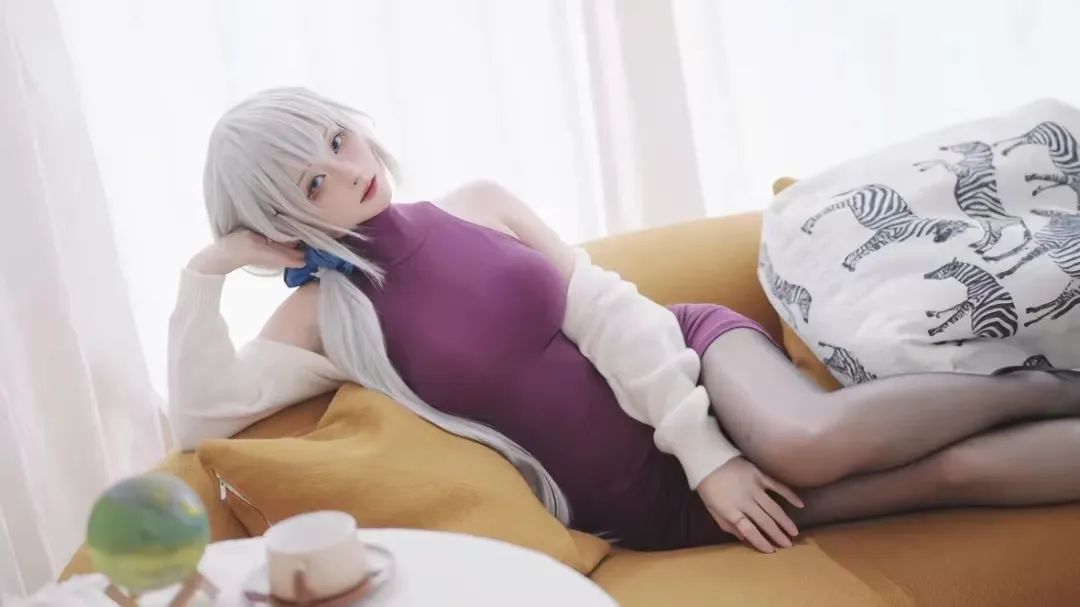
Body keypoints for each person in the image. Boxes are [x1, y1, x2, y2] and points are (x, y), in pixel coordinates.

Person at [171, 87, 1080, 554]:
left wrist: (709, 452)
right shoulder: (325, 319)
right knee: (951, 474)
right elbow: (206, 415)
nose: (348, 168)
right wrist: (204, 273)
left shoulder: (477, 204)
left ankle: (1051, 380)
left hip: (689, 368)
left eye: (337, 139)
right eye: (313, 183)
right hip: (655, 506)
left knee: (806, 440)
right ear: (279, 223)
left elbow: (611, 314)